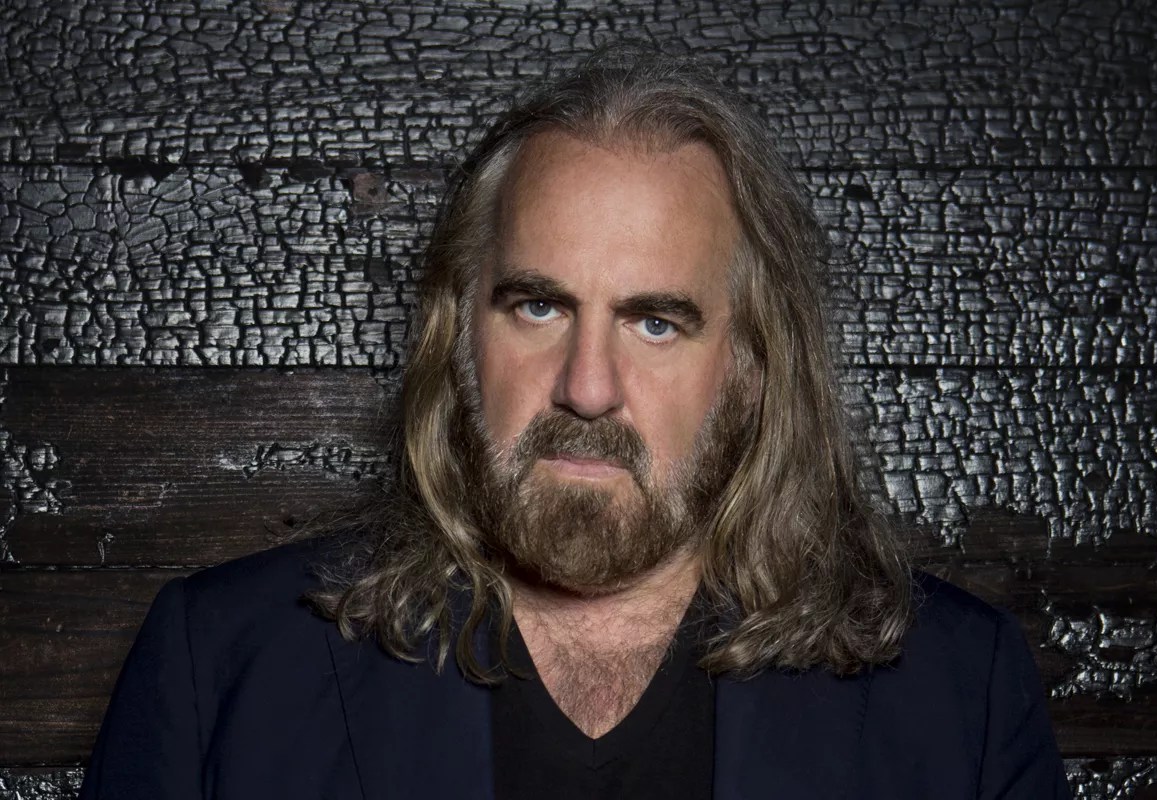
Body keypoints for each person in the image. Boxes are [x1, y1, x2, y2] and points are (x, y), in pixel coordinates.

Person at [80, 47, 1070, 799]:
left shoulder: (959, 694)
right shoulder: (221, 664)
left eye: (654, 319)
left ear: (752, 364)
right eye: (539, 306)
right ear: (459, 331)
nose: (588, 387)